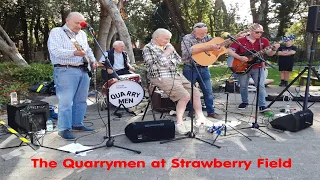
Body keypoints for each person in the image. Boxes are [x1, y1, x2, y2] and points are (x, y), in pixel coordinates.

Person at [143, 28, 212, 134]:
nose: (168, 41)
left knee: (196, 93)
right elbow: (153, 66)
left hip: (175, 74)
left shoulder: (168, 46)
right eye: (166, 39)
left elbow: (179, 59)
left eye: (169, 39)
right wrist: (167, 53)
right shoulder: (148, 48)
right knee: (185, 96)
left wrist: (166, 59)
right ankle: (179, 123)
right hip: (160, 76)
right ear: (157, 37)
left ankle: (201, 118)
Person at [48, 12, 95, 140]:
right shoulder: (57, 32)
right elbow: (55, 51)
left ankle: (77, 124)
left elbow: (87, 50)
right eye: (76, 23)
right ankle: (64, 129)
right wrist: (73, 53)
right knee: (66, 102)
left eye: (81, 23)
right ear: (67, 20)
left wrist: (93, 60)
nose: (79, 26)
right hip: (65, 70)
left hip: (83, 70)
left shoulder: (82, 34)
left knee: (81, 100)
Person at [227, 23, 280, 112]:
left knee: (260, 86)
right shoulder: (240, 40)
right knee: (243, 86)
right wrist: (239, 57)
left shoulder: (263, 40)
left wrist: (274, 49)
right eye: (257, 32)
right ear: (251, 31)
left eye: (261, 32)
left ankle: (262, 105)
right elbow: (229, 51)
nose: (259, 34)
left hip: (258, 66)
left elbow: (269, 53)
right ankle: (245, 102)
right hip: (242, 66)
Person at [181, 22, 221, 119]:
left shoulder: (207, 37)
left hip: (204, 68)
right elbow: (187, 53)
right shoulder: (187, 38)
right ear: (194, 32)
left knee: (208, 91)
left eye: (205, 32)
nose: (204, 35)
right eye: (201, 33)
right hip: (189, 68)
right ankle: (192, 111)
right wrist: (207, 47)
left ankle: (211, 112)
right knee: (190, 91)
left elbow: (216, 45)